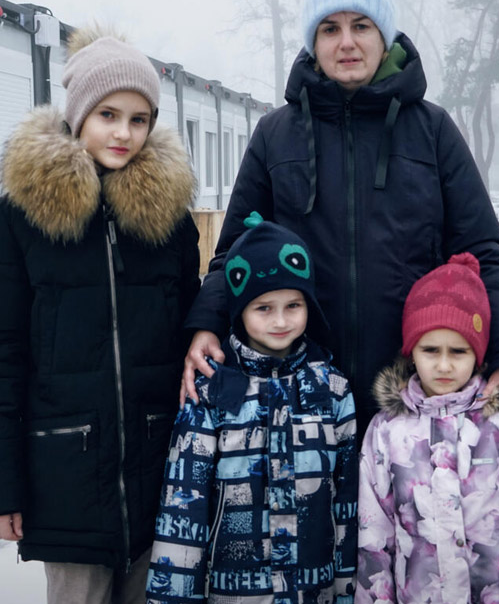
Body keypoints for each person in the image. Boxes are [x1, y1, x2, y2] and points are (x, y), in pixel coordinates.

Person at [181, 0, 499, 441]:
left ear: (384, 37)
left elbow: (485, 255)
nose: (346, 42)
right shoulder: (276, 135)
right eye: (330, 29)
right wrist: (206, 323)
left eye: (361, 26)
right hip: (299, 394)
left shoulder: (432, 132)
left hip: (415, 395)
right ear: (314, 42)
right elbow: (234, 254)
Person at [0, 24, 200, 604]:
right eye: (108, 114)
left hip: (159, 475)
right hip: (65, 476)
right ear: (78, 115)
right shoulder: (20, 219)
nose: (124, 132)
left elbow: (192, 333)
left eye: (139, 119)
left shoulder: (168, 223)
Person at [147, 212, 358, 603]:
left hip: (313, 591)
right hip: (234, 592)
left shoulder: (332, 391)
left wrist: (346, 592)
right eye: (263, 308)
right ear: (240, 311)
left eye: (293, 305)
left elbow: (346, 505)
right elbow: (182, 510)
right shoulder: (211, 394)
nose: (280, 321)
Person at [356, 254, 499, 604]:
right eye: (430, 350)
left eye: (458, 351)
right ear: (412, 353)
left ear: (479, 354)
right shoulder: (386, 432)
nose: (444, 364)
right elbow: (374, 534)